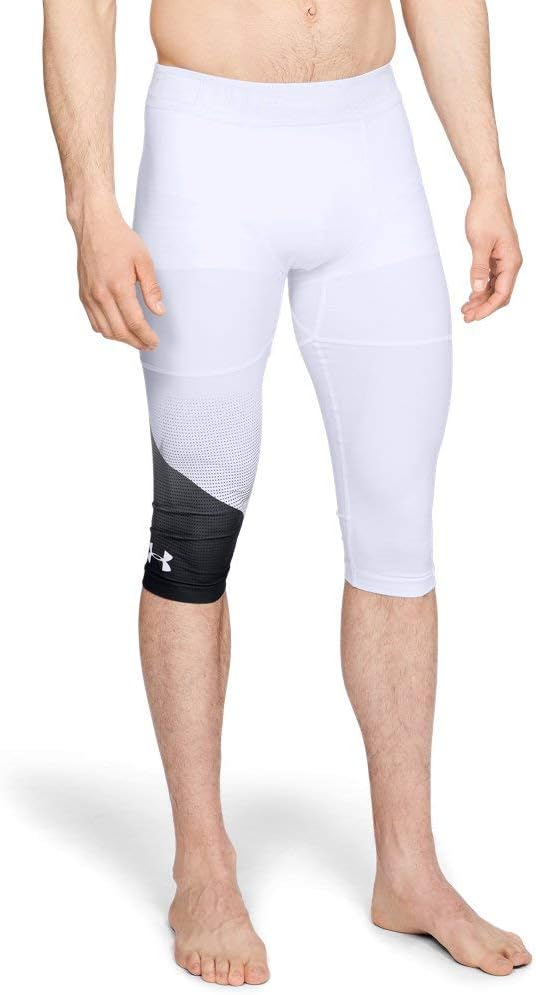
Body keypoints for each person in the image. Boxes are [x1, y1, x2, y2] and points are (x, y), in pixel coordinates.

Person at [43, 0, 530, 984]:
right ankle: (201, 864)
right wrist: (90, 205)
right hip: (208, 154)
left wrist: (486, 177)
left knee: (397, 523)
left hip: (370, 151)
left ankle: (409, 867)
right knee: (195, 525)